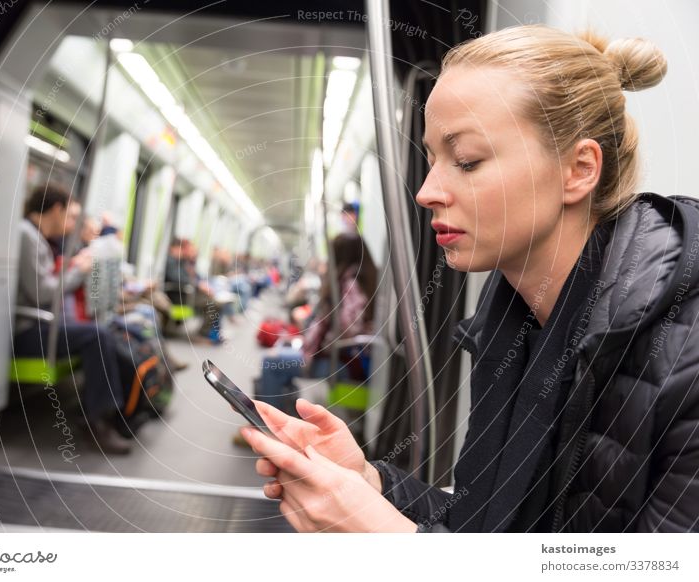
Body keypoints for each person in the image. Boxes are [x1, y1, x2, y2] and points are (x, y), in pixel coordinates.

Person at [240, 25, 699, 532]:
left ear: (578, 169)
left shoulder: (686, 355)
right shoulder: (512, 326)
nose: (427, 191)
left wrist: (386, 539)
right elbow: (487, 528)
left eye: (466, 161)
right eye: (433, 159)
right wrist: (370, 483)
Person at [14, 184, 132, 455]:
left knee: (103, 333)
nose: (70, 226)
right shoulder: (26, 235)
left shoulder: (39, 238)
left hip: (43, 326)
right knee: (97, 335)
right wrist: (78, 270)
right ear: (56, 209)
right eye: (69, 217)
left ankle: (112, 410)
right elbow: (42, 291)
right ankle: (97, 420)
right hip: (28, 330)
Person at [254, 234, 377, 417]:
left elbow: (348, 328)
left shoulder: (349, 283)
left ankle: (269, 425)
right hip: (344, 358)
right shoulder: (360, 280)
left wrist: (319, 343)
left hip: (340, 361)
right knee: (281, 350)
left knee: (271, 362)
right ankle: (282, 410)